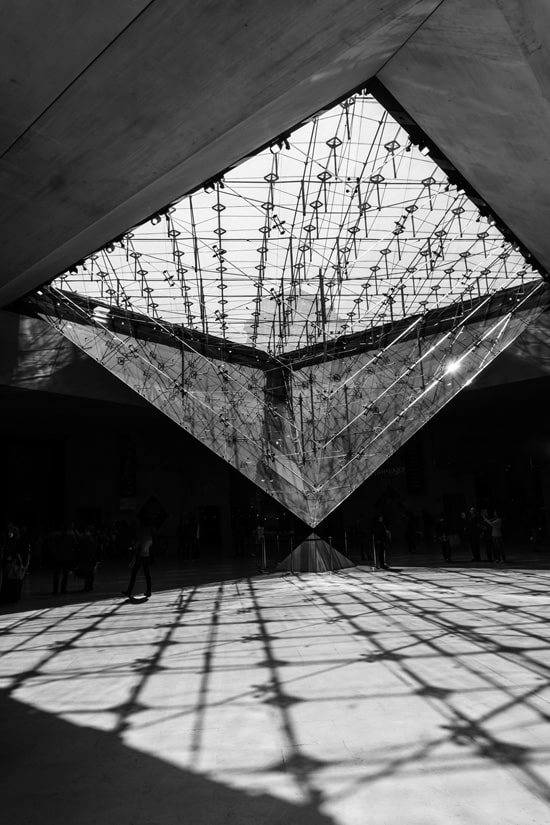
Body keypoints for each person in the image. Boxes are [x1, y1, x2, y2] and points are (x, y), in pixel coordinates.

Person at [121, 523, 153, 598]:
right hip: (147, 556)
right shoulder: (149, 537)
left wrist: (133, 547)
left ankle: (129, 591)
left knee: (134, 574)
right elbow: (151, 544)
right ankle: (149, 591)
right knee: (147, 574)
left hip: (140, 556)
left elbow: (136, 546)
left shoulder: (141, 536)